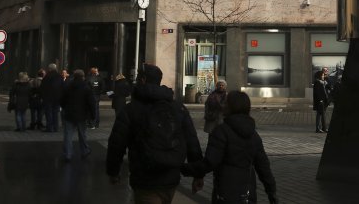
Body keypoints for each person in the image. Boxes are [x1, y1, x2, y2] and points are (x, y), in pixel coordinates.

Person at [105, 64, 204, 203]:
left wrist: (113, 171)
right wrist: (198, 173)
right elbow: (192, 140)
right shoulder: (177, 107)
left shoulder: (131, 109)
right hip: (171, 176)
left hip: (144, 177)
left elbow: (117, 143)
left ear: (143, 80)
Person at [183, 91, 277, 204]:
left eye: (226, 103)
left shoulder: (221, 131)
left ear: (231, 107)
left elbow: (210, 162)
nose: (223, 105)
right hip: (247, 194)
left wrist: (183, 168)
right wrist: (272, 193)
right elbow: (264, 167)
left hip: (225, 192)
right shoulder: (253, 135)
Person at [61, 69, 98, 161]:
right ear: (83, 76)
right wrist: (93, 115)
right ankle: (84, 150)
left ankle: (68, 154)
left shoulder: (68, 86)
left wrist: (64, 107)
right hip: (82, 114)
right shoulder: (86, 87)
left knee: (68, 135)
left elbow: (62, 99)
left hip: (69, 114)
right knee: (82, 134)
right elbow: (91, 103)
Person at [40, 63, 64, 132]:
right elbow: (63, 87)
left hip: (48, 98)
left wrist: (42, 96)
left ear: (50, 69)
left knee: (49, 113)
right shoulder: (59, 76)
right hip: (57, 98)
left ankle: (49, 127)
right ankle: (55, 127)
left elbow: (43, 87)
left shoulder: (47, 76)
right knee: (55, 113)